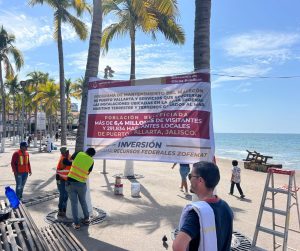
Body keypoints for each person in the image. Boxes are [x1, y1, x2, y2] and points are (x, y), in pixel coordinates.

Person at [173, 161, 233, 251]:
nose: (189, 179)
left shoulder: (197, 213)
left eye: (190, 176)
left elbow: (178, 246)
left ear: (200, 180)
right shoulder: (225, 206)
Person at [66, 147, 96, 229]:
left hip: (70, 182)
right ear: (92, 156)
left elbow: (69, 160)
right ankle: (86, 219)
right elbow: (88, 172)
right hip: (81, 184)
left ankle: (76, 224)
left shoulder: (78, 153)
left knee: (74, 204)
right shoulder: (91, 161)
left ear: (86, 151)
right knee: (83, 201)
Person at [56, 146, 72, 217]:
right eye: (66, 151)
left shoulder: (69, 156)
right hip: (61, 180)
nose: (68, 152)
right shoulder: (63, 159)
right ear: (63, 153)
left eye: (68, 151)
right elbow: (69, 163)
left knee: (66, 195)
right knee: (63, 195)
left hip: (66, 180)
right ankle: (60, 209)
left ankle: (64, 209)